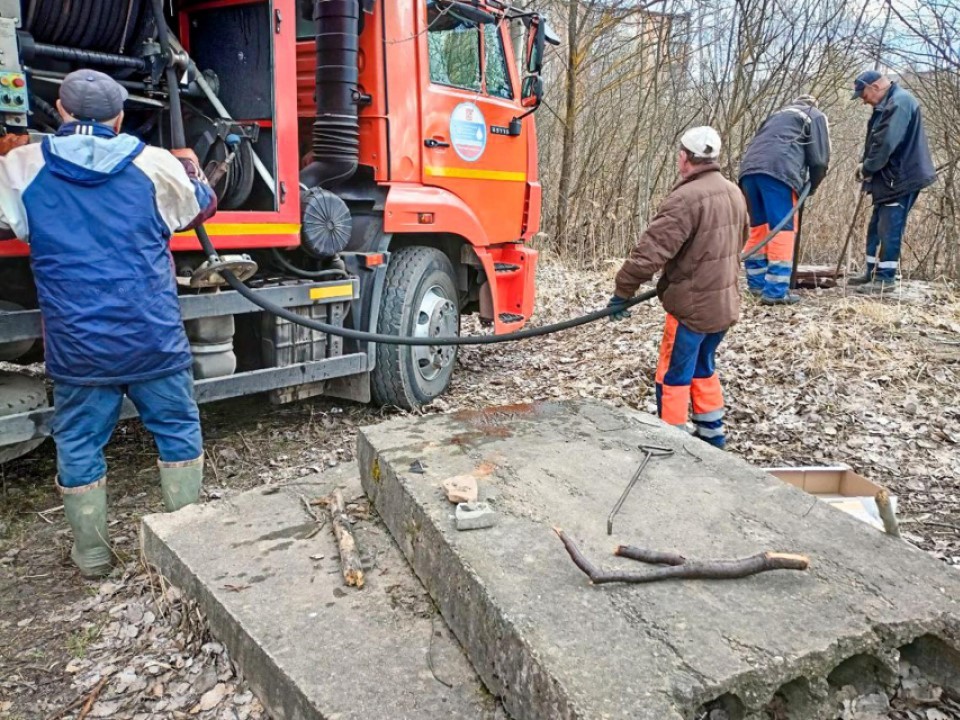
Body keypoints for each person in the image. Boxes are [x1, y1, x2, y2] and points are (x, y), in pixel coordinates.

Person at [0, 70, 217, 578]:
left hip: (79, 346)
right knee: (178, 430)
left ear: (61, 109)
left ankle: (93, 555)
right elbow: (199, 208)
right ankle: (186, 543)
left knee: (78, 442)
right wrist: (194, 171)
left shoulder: (21, 166)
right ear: (119, 117)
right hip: (152, 336)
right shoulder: (154, 163)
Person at [607, 127, 748, 449]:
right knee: (704, 367)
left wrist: (622, 293)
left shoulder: (686, 198)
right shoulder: (733, 191)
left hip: (691, 309)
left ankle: (672, 441)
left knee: (673, 375)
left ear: (684, 158)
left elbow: (650, 253)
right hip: (724, 304)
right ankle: (712, 438)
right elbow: (741, 240)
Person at [849, 70, 936, 294]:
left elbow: (887, 143)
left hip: (900, 177)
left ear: (875, 87)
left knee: (890, 227)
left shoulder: (899, 103)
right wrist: (865, 164)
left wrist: (868, 167)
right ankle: (870, 271)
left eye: (863, 94)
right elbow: (877, 141)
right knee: (876, 225)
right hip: (887, 178)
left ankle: (885, 278)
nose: (863, 100)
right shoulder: (888, 103)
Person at [738, 95, 831, 305]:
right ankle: (776, 291)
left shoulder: (776, 116)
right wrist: (813, 185)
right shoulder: (813, 115)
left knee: (759, 229)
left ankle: (756, 285)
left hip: (749, 172)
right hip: (779, 172)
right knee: (783, 229)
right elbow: (819, 159)